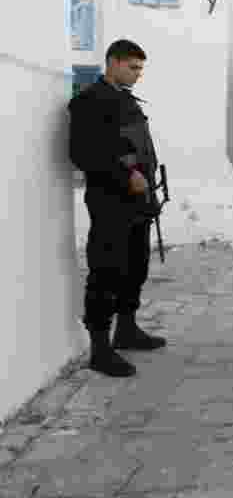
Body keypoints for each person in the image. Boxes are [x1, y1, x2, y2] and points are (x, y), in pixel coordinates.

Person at [69, 39, 167, 378]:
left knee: (135, 266)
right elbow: (82, 153)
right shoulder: (88, 102)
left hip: (139, 203)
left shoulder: (126, 99)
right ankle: (100, 349)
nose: (138, 74)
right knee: (106, 272)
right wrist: (125, 176)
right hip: (111, 202)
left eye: (141, 69)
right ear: (112, 63)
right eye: (132, 67)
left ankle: (126, 329)